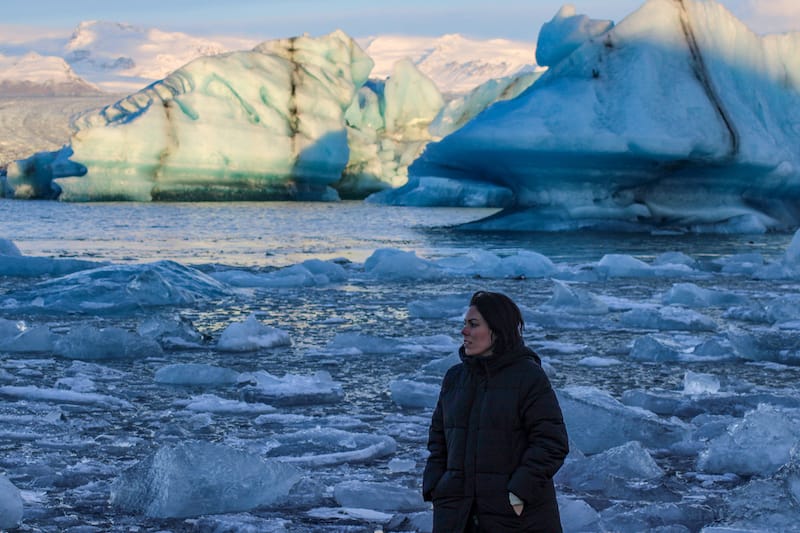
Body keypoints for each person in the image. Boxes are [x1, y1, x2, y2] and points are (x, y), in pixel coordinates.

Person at [422, 290, 569, 532]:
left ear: (497, 329)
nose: (464, 332)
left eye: (473, 324)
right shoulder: (455, 378)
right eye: (464, 324)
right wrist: (436, 485)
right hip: (458, 514)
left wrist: (519, 492)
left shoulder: (528, 377)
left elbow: (552, 443)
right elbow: (438, 440)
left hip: (514, 516)